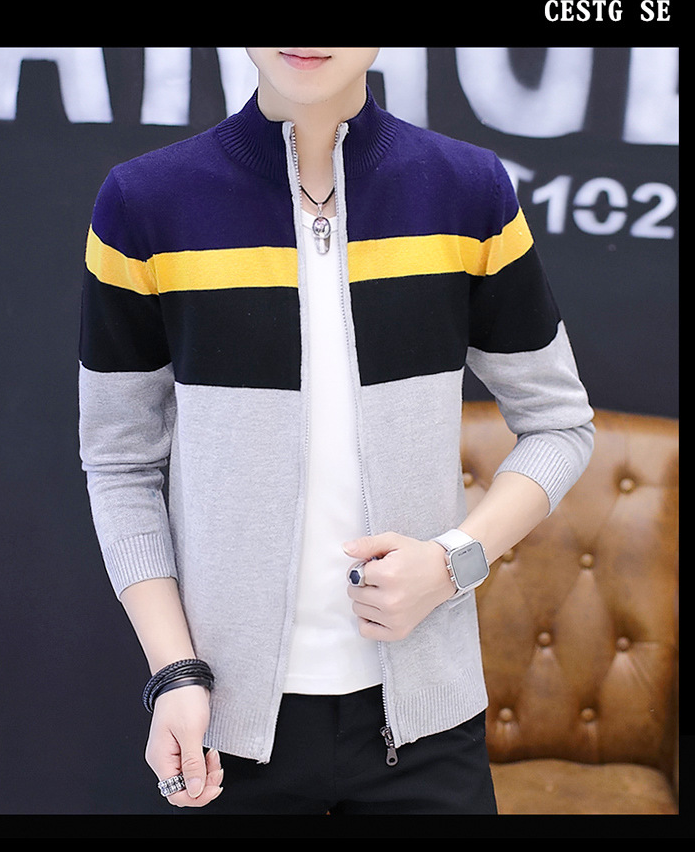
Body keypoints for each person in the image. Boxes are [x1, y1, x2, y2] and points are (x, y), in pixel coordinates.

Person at [79, 48, 594, 815]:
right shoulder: (145, 202)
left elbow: (559, 423)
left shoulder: (467, 190)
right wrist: (175, 671)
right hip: (223, 729)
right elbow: (120, 463)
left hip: (428, 731)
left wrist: (453, 563)